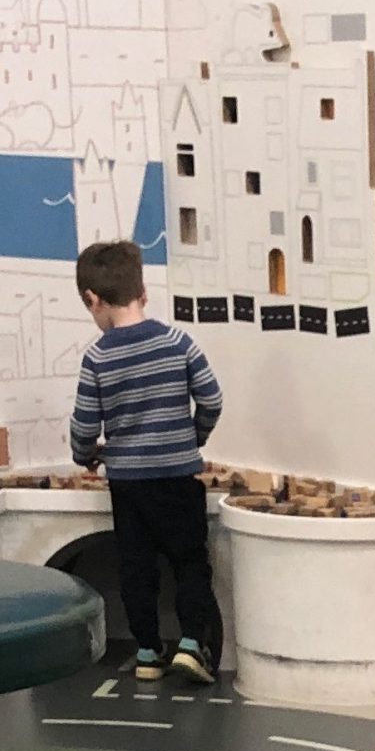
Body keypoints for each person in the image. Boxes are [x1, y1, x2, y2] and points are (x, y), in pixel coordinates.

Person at [70, 238, 226, 685]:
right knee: (189, 562)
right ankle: (193, 644)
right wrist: (190, 439)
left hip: (129, 483)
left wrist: (86, 456)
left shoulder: (98, 357)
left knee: (136, 568)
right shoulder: (179, 342)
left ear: (91, 299)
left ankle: (146, 652)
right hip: (179, 477)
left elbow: (84, 424)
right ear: (144, 293)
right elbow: (211, 399)